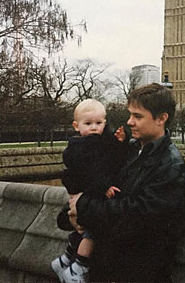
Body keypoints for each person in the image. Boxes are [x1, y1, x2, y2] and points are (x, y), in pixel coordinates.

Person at [65, 83, 185, 283]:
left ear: (161, 119)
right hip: (110, 267)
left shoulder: (170, 166)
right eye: (130, 114)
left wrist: (82, 207)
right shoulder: (130, 150)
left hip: (136, 273)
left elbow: (136, 218)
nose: (129, 122)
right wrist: (71, 213)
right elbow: (94, 184)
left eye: (137, 116)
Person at [51, 99, 127, 283]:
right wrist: (104, 186)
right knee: (91, 232)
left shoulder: (99, 141)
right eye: (88, 124)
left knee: (84, 230)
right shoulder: (81, 147)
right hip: (93, 193)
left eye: (99, 123)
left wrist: (119, 140)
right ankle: (79, 267)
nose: (94, 128)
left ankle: (66, 259)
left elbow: (111, 156)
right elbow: (91, 171)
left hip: (89, 196)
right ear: (76, 126)